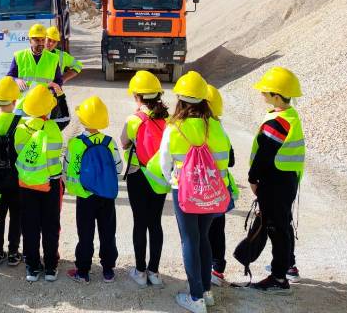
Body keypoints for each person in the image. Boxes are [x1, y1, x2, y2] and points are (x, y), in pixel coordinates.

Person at [159, 71, 233, 313]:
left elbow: (163, 163)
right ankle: (207, 294)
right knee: (204, 237)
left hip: (186, 192)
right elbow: (224, 160)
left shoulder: (174, 128)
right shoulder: (216, 127)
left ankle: (196, 297)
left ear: (180, 100)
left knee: (189, 239)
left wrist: (172, 179)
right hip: (211, 192)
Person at [248, 67, 305, 294]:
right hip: (287, 180)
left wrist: (253, 178)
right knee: (283, 223)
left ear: (277, 95)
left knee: (276, 228)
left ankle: (279, 277)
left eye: (266, 92)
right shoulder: (290, 116)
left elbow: (264, 154)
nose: (262, 95)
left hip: (275, 183)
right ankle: (287, 265)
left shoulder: (278, 122)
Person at [64, 96, 121, 283]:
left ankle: (83, 271)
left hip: (85, 196)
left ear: (83, 120)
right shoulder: (109, 142)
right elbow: (119, 168)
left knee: (85, 233)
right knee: (107, 231)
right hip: (106, 195)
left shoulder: (75, 144)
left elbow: (66, 169)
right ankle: (108, 270)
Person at [121, 71, 170, 287]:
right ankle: (155, 272)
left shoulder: (134, 119)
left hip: (137, 175)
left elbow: (123, 143)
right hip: (159, 176)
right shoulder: (168, 120)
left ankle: (140, 271)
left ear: (137, 97)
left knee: (139, 222)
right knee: (155, 223)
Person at [14, 85, 64, 282]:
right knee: (50, 225)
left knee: (30, 225)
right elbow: (57, 151)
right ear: (47, 108)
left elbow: (19, 153)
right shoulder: (52, 128)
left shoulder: (20, 129)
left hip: (27, 185)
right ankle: (51, 267)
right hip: (50, 184)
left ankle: (32, 267)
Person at [0, 76, 25, 266]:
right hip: (16, 178)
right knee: (16, 216)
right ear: (15, 100)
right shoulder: (21, 122)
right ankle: (13, 252)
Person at [205, 85, 240, 287]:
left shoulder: (196, 129)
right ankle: (217, 270)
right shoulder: (221, 131)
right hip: (220, 191)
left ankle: (203, 268)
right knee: (218, 230)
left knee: (202, 232)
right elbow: (232, 160)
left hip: (200, 192)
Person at [6, 24, 63, 116]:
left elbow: (58, 81)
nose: (40, 43)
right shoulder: (19, 56)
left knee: (41, 130)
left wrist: (52, 90)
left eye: (42, 40)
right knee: (18, 129)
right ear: (30, 40)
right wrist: (17, 80)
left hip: (43, 104)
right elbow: (10, 76)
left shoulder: (53, 58)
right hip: (23, 104)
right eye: (36, 40)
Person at [45, 26, 81, 129]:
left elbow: (78, 65)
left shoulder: (62, 56)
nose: (50, 43)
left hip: (54, 94)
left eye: (54, 42)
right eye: (49, 40)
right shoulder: (37, 54)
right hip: (38, 93)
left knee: (54, 122)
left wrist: (64, 78)